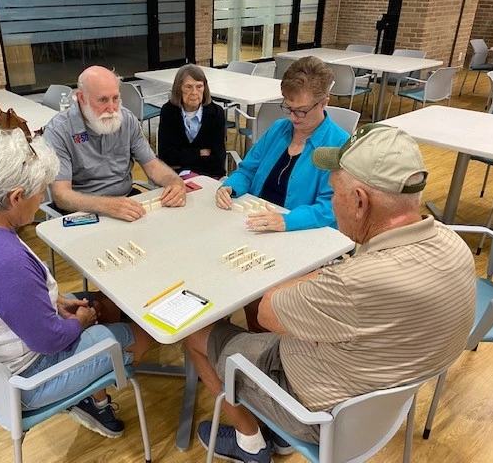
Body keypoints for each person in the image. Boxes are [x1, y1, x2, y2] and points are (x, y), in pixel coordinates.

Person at [185, 124, 477, 462]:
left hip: (318, 414)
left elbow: (266, 310)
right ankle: (275, 435)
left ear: (359, 202)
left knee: (195, 334)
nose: (331, 202)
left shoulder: (353, 284)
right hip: (380, 405)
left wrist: (324, 276)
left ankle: (249, 441)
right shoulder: (454, 246)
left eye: (333, 191)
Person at [0, 130, 152, 439]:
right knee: (143, 333)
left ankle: (95, 396)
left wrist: (55, 302)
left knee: (103, 304)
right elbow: (50, 341)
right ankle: (91, 397)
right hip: (26, 380)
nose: (43, 199)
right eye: (40, 192)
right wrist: (80, 321)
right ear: (15, 197)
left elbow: (6, 297)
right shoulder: (4, 260)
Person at [215, 56, 348, 233]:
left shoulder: (339, 144)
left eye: (301, 111)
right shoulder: (279, 129)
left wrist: (287, 221)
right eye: (288, 107)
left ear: (324, 103)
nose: (292, 117)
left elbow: (329, 207)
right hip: (256, 222)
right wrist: (230, 186)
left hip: (304, 233)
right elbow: (247, 170)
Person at [43, 65, 186, 222]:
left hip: (126, 201)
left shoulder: (127, 119)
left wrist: (175, 182)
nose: (111, 109)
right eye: (103, 100)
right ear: (81, 98)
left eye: (116, 98)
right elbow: (62, 195)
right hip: (83, 211)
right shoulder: (59, 131)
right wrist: (107, 206)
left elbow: (152, 166)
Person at [158, 64, 226, 178]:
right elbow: (166, 156)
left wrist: (182, 160)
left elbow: (218, 161)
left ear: (205, 88)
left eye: (199, 86)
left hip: (209, 176)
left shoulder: (216, 113)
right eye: (188, 87)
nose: (194, 92)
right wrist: (200, 153)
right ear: (179, 88)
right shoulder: (168, 111)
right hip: (175, 177)